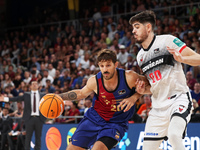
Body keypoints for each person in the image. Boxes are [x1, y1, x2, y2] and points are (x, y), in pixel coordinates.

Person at [129, 10, 200, 150]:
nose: (133, 31)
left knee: (174, 136)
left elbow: (198, 58)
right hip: (157, 108)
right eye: (133, 28)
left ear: (148, 27)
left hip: (178, 99)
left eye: (137, 27)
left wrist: (183, 59)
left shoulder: (167, 41)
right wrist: (143, 90)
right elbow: (154, 85)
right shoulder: (140, 56)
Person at [58, 49, 148, 150]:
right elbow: (81, 93)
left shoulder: (129, 77)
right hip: (94, 118)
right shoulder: (95, 81)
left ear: (116, 64)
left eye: (108, 65)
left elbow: (151, 86)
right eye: (102, 66)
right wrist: (59, 97)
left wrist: (135, 96)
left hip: (115, 123)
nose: (105, 69)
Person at [0, 81, 46, 150]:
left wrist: (64, 102)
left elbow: (52, 101)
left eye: (36, 84)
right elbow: (17, 98)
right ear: (30, 86)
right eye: (32, 84)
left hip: (39, 118)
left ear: (38, 86)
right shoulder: (26, 95)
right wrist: (6, 99)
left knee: (38, 137)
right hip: (29, 118)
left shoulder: (43, 95)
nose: (34, 85)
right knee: (28, 137)